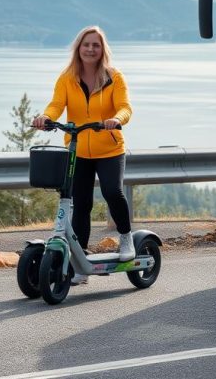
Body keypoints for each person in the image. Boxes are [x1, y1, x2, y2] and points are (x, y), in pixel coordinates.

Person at [32, 26, 134, 285]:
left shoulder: (114, 77)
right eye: (86, 44)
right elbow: (57, 104)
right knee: (81, 204)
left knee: (113, 192)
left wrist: (115, 119)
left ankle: (126, 237)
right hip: (79, 150)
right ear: (78, 48)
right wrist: (47, 117)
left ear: (102, 50)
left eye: (95, 45)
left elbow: (125, 107)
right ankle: (81, 259)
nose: (90, 49)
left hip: (109, 148)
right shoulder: (67, 77)